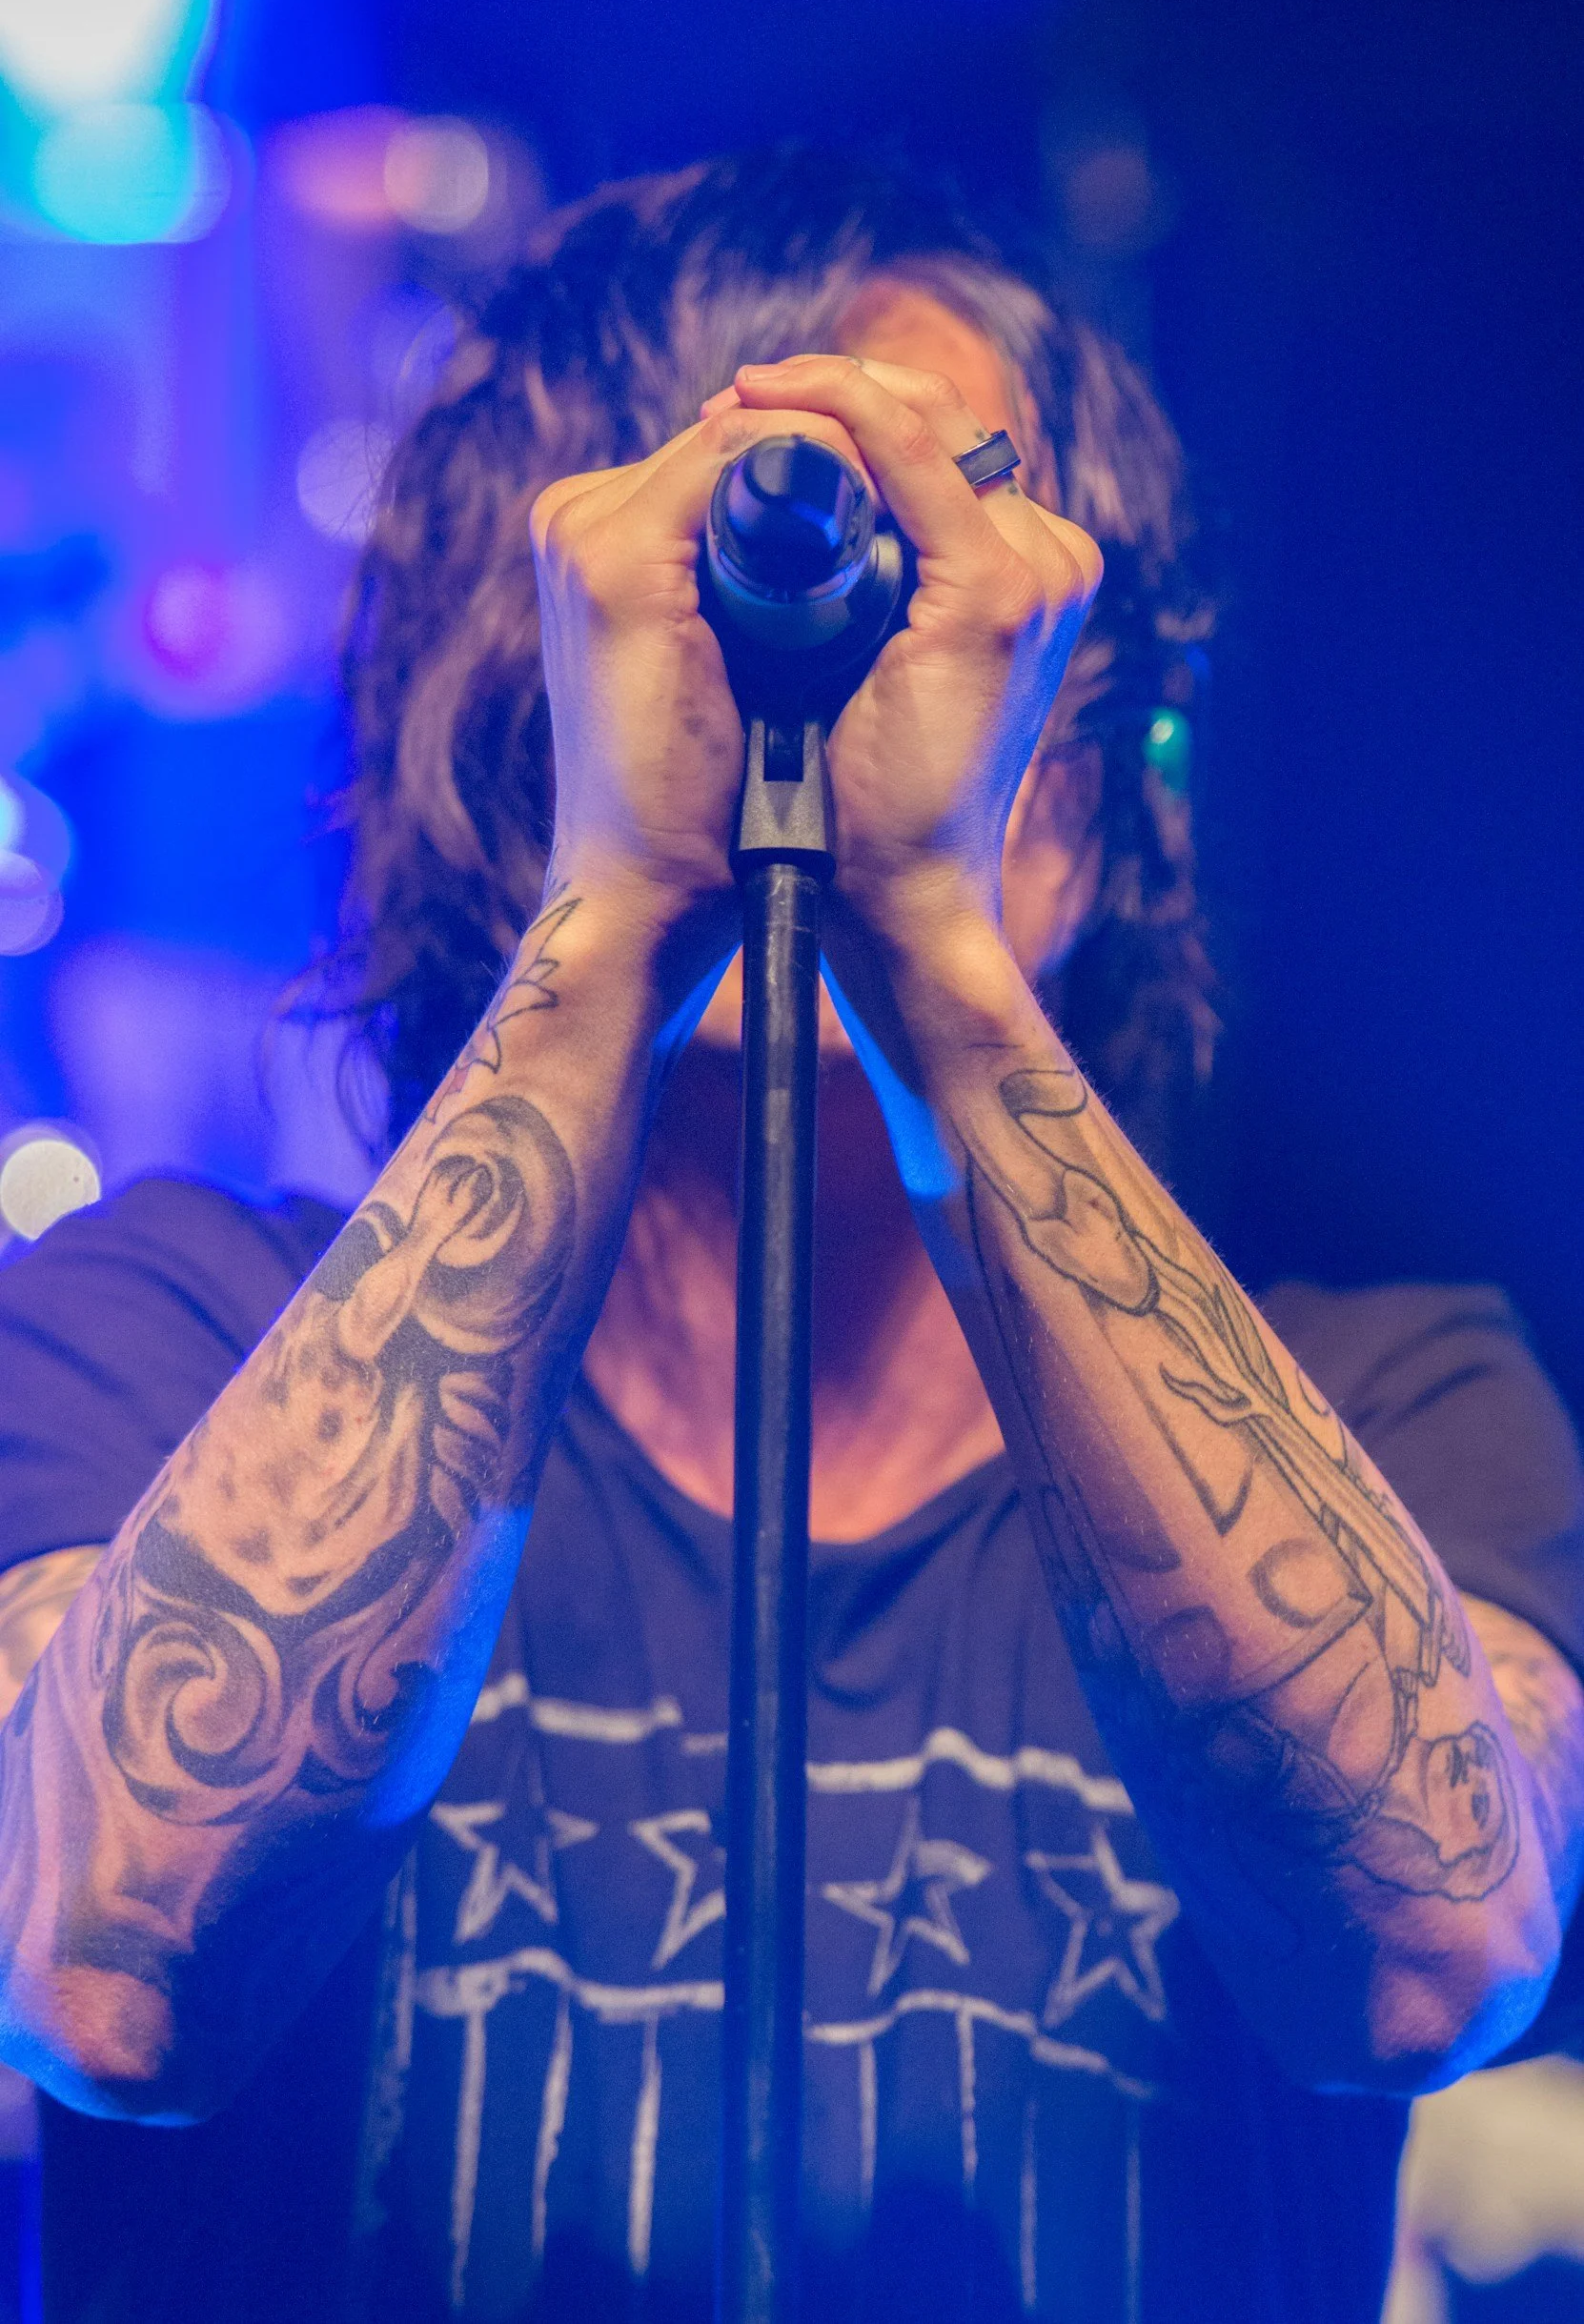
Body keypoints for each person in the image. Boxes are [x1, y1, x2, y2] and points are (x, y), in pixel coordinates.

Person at [0, 150, 1582, 2324]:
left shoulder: (1389, 1402)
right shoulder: (160, 1336)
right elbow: (102, 1970)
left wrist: (930, 934)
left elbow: (1429, 1957)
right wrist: (623, 901)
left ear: (1091, 726)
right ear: (518, 689)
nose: (813, 680)